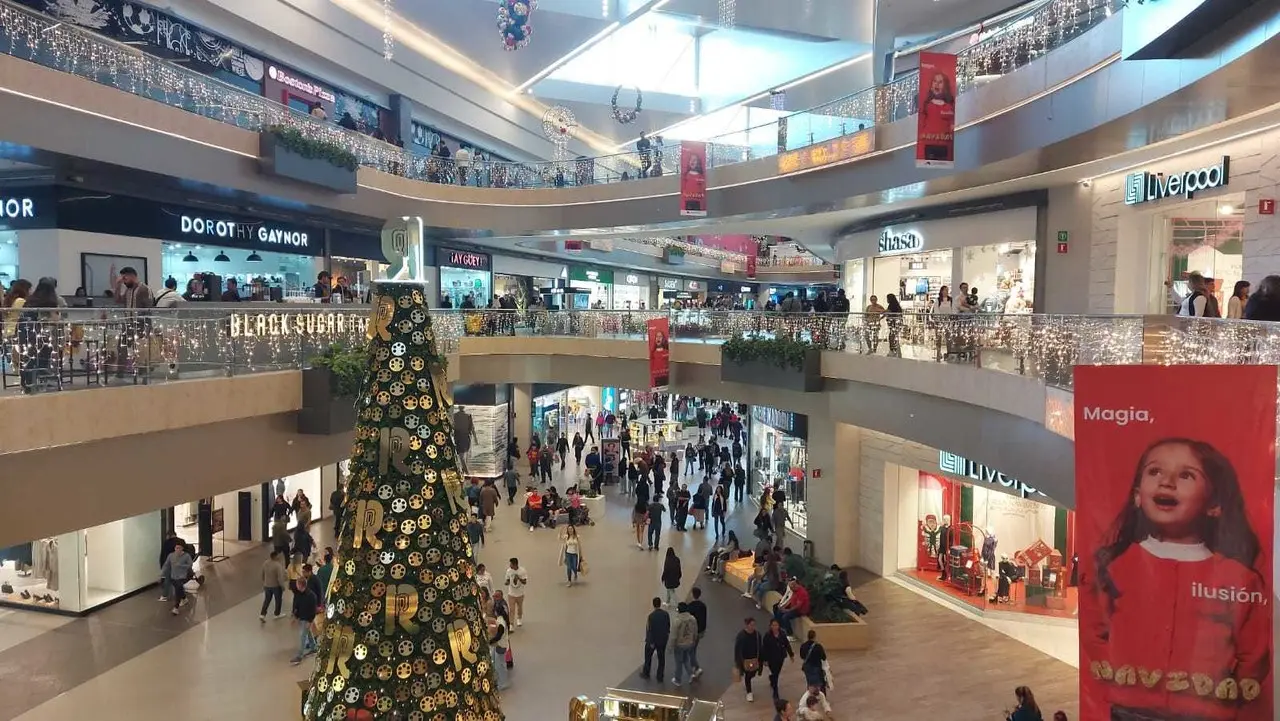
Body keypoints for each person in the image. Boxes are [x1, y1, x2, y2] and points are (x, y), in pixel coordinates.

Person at [1088, 438, 1265, 720]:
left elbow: (1253, 655)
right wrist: (1118, 682)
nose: (1166, 482)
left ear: (1214, 504)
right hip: (1129, 711)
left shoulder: (1240, 579)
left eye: (1186, 475)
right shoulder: (1114, 565)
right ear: (1137, 495)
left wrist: (1225, 699)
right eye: (1155, 471)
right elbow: (1095, 632)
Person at [761, 618, 795, 701]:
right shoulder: (767, 636)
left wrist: (791, 654)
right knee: (775, 673)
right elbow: (764, 648)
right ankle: (775, 692)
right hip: (771, 658)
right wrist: (764, 659)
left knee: (776, 672)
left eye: (776, 625)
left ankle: (772, 678)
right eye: (773, 625)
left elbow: (787, 644)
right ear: (770, 626)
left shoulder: (782, 634)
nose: (775, 627)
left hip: (780, 657)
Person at [289, 577, 319, 665]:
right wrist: (295, 617)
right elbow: (297, 606)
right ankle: (314, 648)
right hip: (302, 618)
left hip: (307, 619)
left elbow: (313, 611)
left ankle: (299, 656)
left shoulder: (312, 596)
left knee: (302, 636)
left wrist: (310, 622)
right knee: (308, 633)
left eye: (297, 584)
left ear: (301, 585)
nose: (296, 585)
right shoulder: (298, 594)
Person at [733, 617, 764, 702]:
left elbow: (760, 648)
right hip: (745, 660)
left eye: (754, 625)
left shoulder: (757, 635)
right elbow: (737, 649)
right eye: (751, 625)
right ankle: (749, 692)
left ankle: (748, 687)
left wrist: (762, 660)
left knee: (752, 673)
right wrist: (738, 661)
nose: (753, 627)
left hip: (754, 659)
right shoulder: (741, 636)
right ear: (747, 625)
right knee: (748, 675)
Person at [160, 541, 194, 615]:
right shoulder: (171, 555)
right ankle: (184, 598)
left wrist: (181, 565)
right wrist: (162, 573)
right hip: (173, 576)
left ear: (182, 548)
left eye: (179, 548)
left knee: (178, 589)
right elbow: (166, 565)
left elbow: (190, 565)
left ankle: (176, 607)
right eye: (176, 548)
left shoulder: (186, 556)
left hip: (183, 576)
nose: (177, 549)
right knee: (179, 588)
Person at [640, 597, 669, 681]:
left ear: (653, 605)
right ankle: (660, 676)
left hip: (653, 641)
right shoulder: (666, 614)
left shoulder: (651, 616)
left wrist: (650, 642)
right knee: (661, 658)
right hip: (662, 640)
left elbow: (649, 630)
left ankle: (646, 673)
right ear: (660, 604)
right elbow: (668, 626)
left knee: (648, 656)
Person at [671, 601, 698, 686]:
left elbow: (674, 636)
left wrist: (671, 646)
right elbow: (695, 631)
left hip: (680, 644)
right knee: (686, 659)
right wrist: (693, 640)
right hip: (689, 642)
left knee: (679, 662)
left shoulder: (677, 621)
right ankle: (691, 674)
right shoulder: (692, 619)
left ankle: (678, 680)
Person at [686, 586, 708, 679]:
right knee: (693, 649)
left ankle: (696, 668)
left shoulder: (691, 606)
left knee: (691, 651)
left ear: (692, 594)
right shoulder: (703, 605)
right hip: (701, 631)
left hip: (693, 632)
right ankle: (694, 667)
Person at [489, 604, 511, 690]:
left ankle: (503, 682)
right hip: (500, 644)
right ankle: (499, 681)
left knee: (500, 665)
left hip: (501, 645)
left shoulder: (501, 622)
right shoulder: (501, 619)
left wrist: (491, 641)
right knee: (496, 662)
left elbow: (499, 634)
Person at [504, 557, 528, 627]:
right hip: (511, 593)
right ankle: (511, 623)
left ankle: (519, 618)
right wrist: (507, 582)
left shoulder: (522, 571)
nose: (509, 565)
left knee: (519, 607)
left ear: (515, 564)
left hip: (520, 593)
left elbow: (525, 582)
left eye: (511, 564)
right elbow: (507, 579)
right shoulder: (509, 571)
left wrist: (519, 578)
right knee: (511, 609)